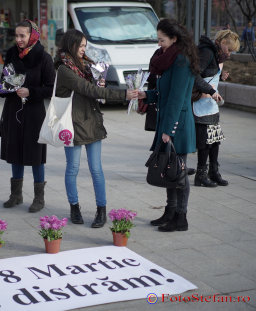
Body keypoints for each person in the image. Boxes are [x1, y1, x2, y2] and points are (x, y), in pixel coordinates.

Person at [128, 19, 199, 232]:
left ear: (174, 38)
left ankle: (181, 217)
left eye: (162, 40)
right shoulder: (168, 59)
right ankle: (170, 211)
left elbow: (177, 99)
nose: (159, 44)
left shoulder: (181, 61)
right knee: (168, 169)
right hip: (167, 121)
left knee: (178, 172)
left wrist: (168, 130)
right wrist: (145, 94)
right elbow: (163, 93)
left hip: (177, 124)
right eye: (158, 39)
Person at [54, 29, 128, 228]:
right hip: (72, 124)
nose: (83, 49)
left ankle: (101, 210)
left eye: (85, 46)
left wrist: (100, 80)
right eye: (80, 46)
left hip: (91, 121)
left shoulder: (87, 65)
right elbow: (87, 89)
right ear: (71, 45)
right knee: (73, 168)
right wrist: (124, 95)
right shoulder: (64, 69)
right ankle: (74, 206)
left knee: (96, 169)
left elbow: (95, 90)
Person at [0, 20, 55, 213]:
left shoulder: (44, 58)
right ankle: (16, 194)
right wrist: (7, 88)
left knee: (36, 155)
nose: (19, 39)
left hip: (34, 113)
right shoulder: (12, 54)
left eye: (23, 35)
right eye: (16, 35)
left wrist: (30, 92)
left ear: (33, 36)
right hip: (13, 110)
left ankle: (39, 198)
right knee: (15, 152)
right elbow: (3, 82)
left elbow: (50, 88)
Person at [193, 30, 240, 188]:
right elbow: (194, 75)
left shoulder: (215, 53)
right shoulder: (207, 52)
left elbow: (207, 72)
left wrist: (219, 77)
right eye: (230, 49)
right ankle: (201, 175)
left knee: (215, 141)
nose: (230, 53)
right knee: (206, 142)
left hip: (210, 104)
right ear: (222, 43)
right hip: (202, 103)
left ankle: (214, 172)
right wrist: (211, 91)